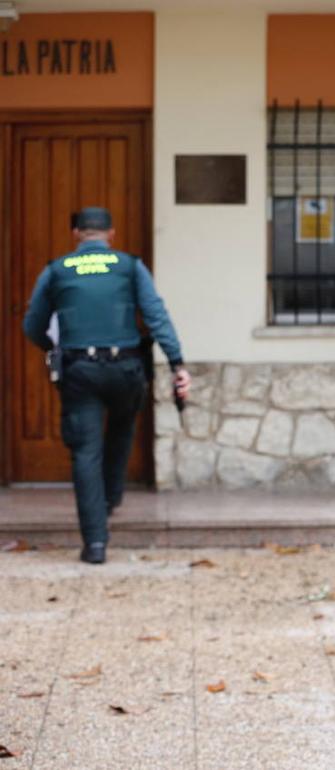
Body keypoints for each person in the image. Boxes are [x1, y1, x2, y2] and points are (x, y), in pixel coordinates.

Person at [22, 207, 191, 565]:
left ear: (76, 235)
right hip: (125, 367)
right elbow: (157, 316)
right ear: (110, 234)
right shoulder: (130, 266)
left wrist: (53, 348)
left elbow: (32, 325)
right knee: (122, 427)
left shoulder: (57, 270)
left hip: (79, 368)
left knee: (85, 451)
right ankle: (111, 498)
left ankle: (95, 544)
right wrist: (177, 364)